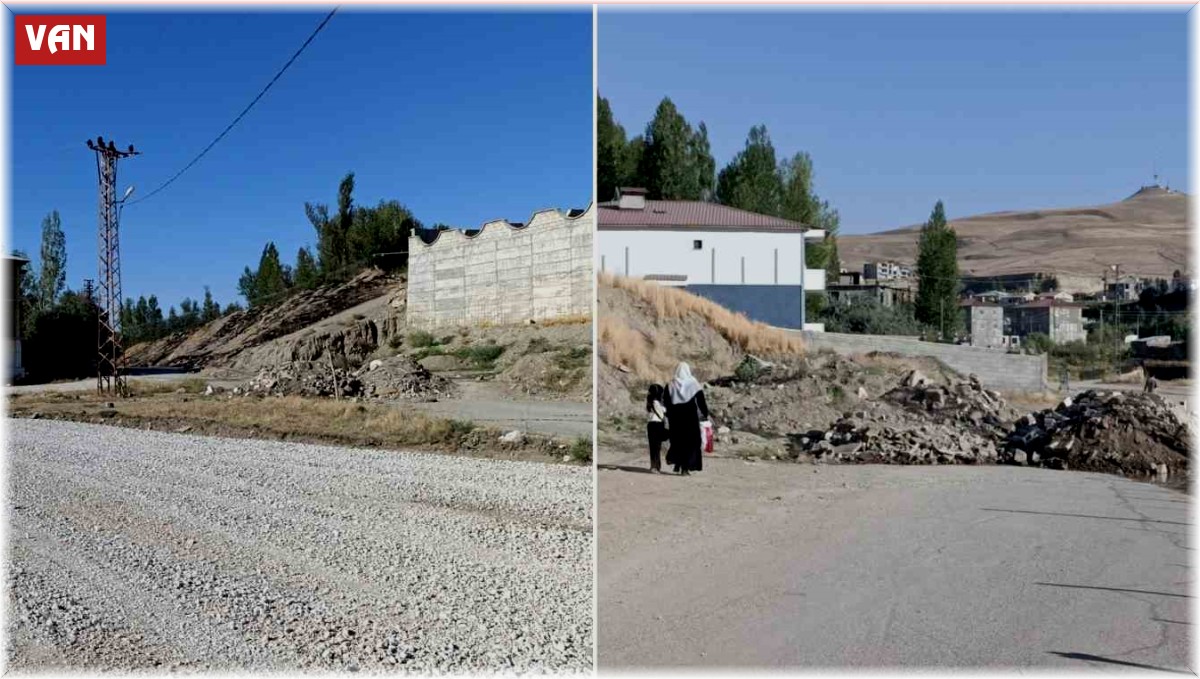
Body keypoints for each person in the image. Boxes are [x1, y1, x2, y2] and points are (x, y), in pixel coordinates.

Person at [664, 362, 709, 476]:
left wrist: (669, 416)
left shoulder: (670, 385)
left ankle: (678, 463)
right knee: (692, 443)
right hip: (690, 419)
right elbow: (701, 402)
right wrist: (705, 415)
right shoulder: (694, 385)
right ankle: (686, 467)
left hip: (676, 420)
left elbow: (666, 403)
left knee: (678, 442)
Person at [645, 384, 668, 474]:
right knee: (657, 447)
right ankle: (656, 467)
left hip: (651, 425)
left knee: (652, 447)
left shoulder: (649, 402)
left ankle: (653, 466)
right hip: (657, 424)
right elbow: (662, 413)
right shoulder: (656, 402)